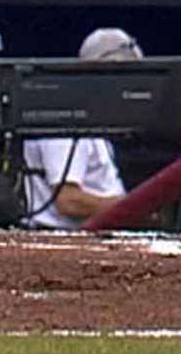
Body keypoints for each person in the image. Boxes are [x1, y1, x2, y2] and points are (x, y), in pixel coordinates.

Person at [19, 28, 138, 230]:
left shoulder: (93, 117)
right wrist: (135, 208)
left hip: (89, 238)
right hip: (61, 242)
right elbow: (68, 200)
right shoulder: (67, 116)